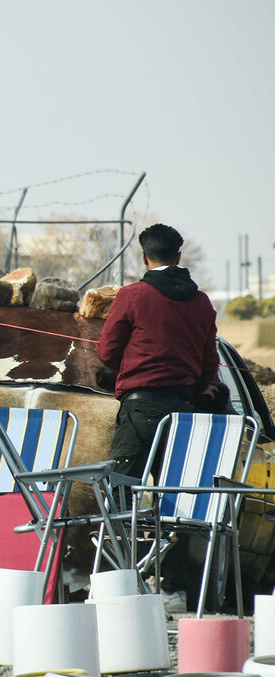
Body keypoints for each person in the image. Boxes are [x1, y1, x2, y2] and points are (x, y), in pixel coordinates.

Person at [97, 223, 219, 607]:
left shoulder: (133, 295)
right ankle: (174, 590)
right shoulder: (201, 304)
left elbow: (106, 351)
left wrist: (129, 368)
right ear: (179, 257)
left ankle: (114, 583)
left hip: (139, 408)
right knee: (176, 500)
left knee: (119, 493)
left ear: (144, 257)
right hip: (182, 413)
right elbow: (207, 367)